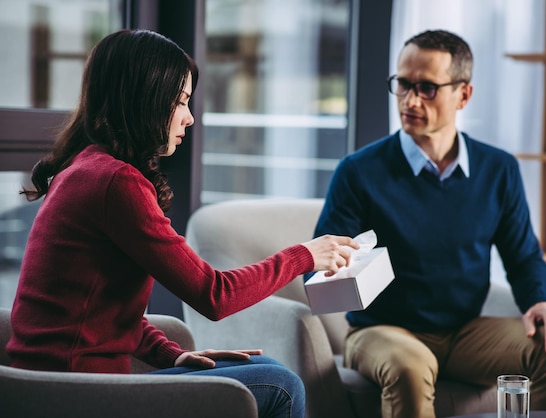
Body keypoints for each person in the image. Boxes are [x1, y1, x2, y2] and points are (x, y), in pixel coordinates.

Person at [7, 29, 359, 418]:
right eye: (181, 102)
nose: (189, 118)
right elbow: (215, 295)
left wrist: (172, 355)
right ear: (145, 100)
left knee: (269, 371)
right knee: (281, 386)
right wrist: (304, 256)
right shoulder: (114, 182)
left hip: (55, 380)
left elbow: (91, 314)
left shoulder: (85, 167)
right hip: (73, 390)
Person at [310, 29, 546, 418]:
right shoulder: (358, 172)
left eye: (426, 88)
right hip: (380, 331)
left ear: (464, 95)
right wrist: (340, 267)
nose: (409, 100)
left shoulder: (498, 169)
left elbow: (523, 257)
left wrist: (541, 301)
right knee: (409, 365)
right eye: (403, 84)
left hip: (464, 332)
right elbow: (323, 263)